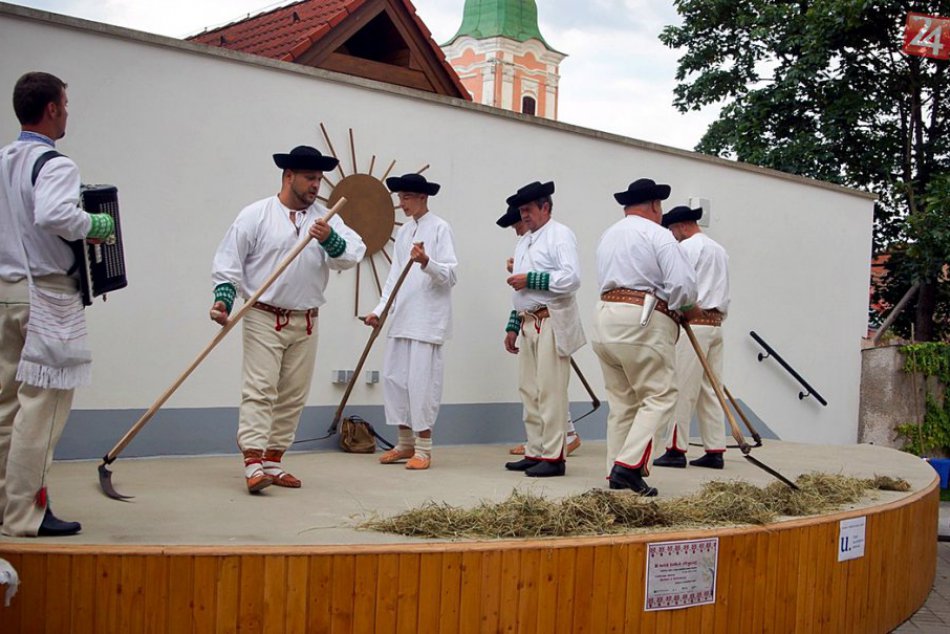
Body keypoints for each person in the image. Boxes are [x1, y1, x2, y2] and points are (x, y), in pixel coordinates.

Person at [211, 145, 365, 493]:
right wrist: (223, 302)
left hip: (307, 319)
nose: (316, 185)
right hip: (263, 315)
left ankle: (273, 461)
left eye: (319, 179)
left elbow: (353, 253)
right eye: (310, 178)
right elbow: (228, 264)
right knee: (261, 389)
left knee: (293, 394)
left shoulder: (326, 219)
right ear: (288, 176)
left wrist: (330, 240)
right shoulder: (256, 215)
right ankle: (252, 462)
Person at [0, 72, 115, 536]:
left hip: (4, 292)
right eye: (64, 104)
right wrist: (96, 224)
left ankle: (5, 508)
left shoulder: (3, 160)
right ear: (51, 108)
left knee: (6, 407)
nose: (67, 112)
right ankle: (26, 513)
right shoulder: (55, 164)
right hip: (46, 295)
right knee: (41, 410)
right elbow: (54, 215)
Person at [592, 179, 697, 496]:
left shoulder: (608, 235)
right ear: (654, 205)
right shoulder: (659, 234)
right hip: (642, 320)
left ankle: (616, 472)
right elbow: (682, 285)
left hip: (605, 319)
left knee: (623, 402)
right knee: (660, 395)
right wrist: (688, 308)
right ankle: (627, 466)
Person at [365, 173, 457, 471]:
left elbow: (451, 275)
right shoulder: (404, 233)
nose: (401, 203)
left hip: (427, 321)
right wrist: (379, 310)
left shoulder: (441, 228)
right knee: (395, 381)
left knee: (421, 384)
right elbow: (393, 278)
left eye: (406, 197)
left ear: (422, 197)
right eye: (400, 197)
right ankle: (404, 443)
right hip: (401, 316)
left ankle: (424, 448)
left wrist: (427, 262)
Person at [503, 181, 585, 478]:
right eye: (521, 210)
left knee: (550, 390)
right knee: (530, 390)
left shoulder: (560, 235)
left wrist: (530, 280)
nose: (523, 215)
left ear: (545, 207)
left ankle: (554, 455)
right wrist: (513, 324)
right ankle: (535, 449)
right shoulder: (524, 241)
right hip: (528, 320)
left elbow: (571, 278)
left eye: (528, 209)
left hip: (551, 319)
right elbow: (520, 288)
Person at [653, 205, 730, 469]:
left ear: (682, 226)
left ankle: (676, 448)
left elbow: (678, 285)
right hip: (716, 324)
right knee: (711, 389)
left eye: (673, 230)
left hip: (694, 322)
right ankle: (715, 448)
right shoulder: (719, 250)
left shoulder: (686, 248)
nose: (673, 235)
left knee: (681, 386)